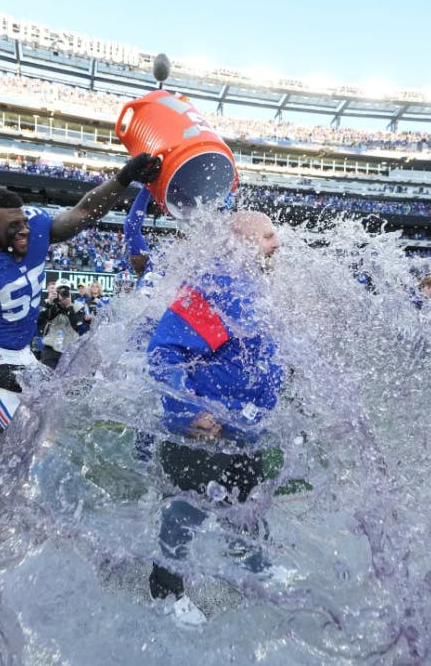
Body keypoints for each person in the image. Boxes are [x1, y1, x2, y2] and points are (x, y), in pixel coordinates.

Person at [0, 153, 162, 544]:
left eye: (24, 221)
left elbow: (84, 212)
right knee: (29, 432)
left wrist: (124, 178)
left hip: (21, 353)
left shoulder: (32, 229)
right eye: (12, 226)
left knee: (42, 428)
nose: (24, 231)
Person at [146, 210, 284, 627]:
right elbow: (164, 353)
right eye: (267, 236)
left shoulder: (256, 288)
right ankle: (166, 591)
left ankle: (251, 565)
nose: (276, 244)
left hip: (243, 429)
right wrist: (188, 411)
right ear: (241, 242)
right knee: (187, 512)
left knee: (247, 503)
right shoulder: (214, 288)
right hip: (204, 433)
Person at [38, 278, 88, 369]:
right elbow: (40, 322)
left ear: (70, 293)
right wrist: (50, 304)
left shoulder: (78, 306)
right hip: (50, 349)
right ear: (56, 292)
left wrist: (69, 307)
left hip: (69, 351)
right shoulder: (49, 304)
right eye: (60, 290)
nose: (63, 293)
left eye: (66, 291)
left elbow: (77, 326)